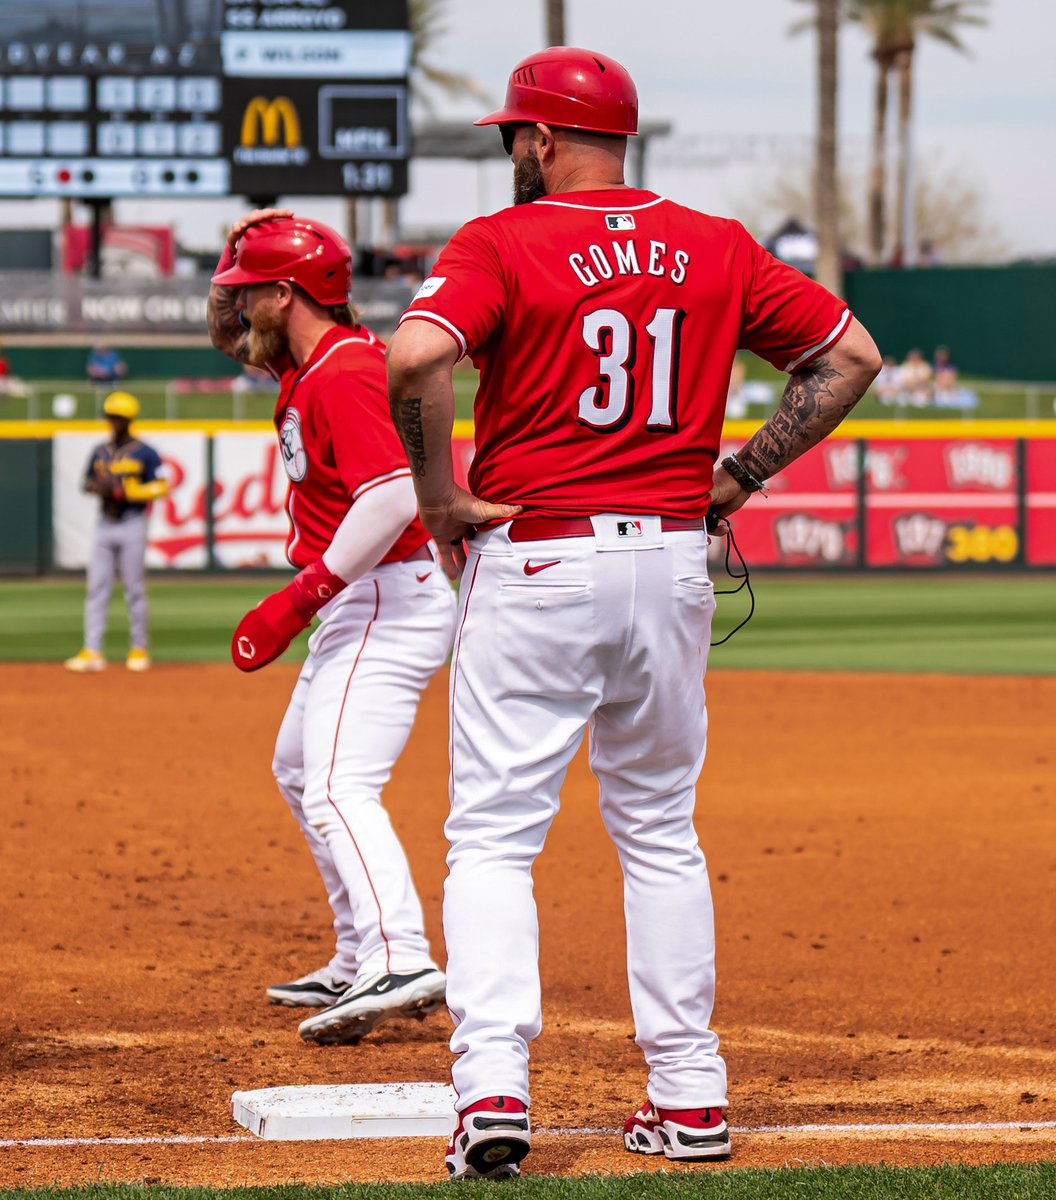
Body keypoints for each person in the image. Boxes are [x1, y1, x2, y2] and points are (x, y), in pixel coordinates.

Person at [386, 45, 881, 1180]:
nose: (511, 151)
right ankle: (691, 1099)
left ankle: (493, 1089)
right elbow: (851, 357)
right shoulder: (714, 241)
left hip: (539, 556)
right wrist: (743, 473)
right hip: (670, 559)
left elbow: (415, 355)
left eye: (516, 134)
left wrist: (439, 498)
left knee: (496, 836)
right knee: (658, 830)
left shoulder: (502, 240)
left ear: (546, 138)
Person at [207, 210, 457, 1045]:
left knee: (339, 785)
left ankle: (400, 954)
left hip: (385, 593)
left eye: (250, 295)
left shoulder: (345, 370)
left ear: (286, 293)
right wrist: (228, 260)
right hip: (366, 595)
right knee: (297, 768)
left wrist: (299, 596)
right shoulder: (310, 361)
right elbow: (225, 338)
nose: (238, 311)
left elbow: (391, 497)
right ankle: (358, 952)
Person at [64, 391, 169, 673]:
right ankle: (92, 649)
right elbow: (86, 483)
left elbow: (161, 485)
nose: (113, 422)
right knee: (96, 587)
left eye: (118, 418)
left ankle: (138, 648)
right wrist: (97, 487)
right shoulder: (100, 451)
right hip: (105, 522)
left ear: (128, 420)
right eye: (110, 416)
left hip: (133, 522)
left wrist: (130, 491)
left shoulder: (145, 452)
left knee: (134, 588)